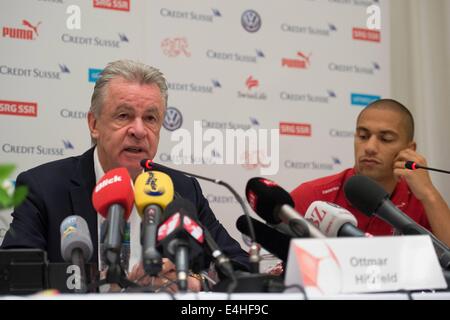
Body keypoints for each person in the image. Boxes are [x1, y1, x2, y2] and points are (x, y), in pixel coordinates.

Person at [1, 59, 249, 292]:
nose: (139, 131)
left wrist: (192, 282)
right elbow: (13, 281)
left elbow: (242, 268)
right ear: (94, 124)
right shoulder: (44, 187)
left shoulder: (182, 189)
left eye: (150, 118)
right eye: (124, 116)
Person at [291, 99, 450, 247]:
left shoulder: (421, 201)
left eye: (385, 139)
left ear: (409, 150)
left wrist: (429, 194)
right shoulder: (313, 196)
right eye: (363, 136)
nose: (370, 147)